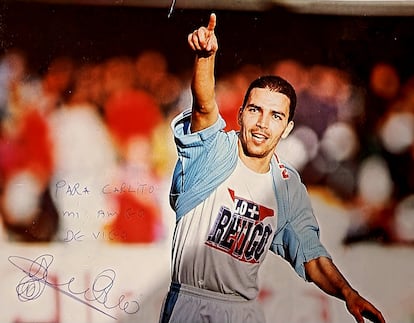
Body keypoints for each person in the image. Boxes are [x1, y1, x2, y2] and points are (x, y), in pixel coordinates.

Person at [159, 13, 386, 323]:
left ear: (288, 128)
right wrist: (205, 57)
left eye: (276, 116)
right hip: (191, 304)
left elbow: (312, 256)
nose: (263, 124)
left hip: (244, 311)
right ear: (239, 115)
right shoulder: (213, 151)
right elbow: (203, 106)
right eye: (255, 110)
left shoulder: (286, 184)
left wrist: (348, 293)